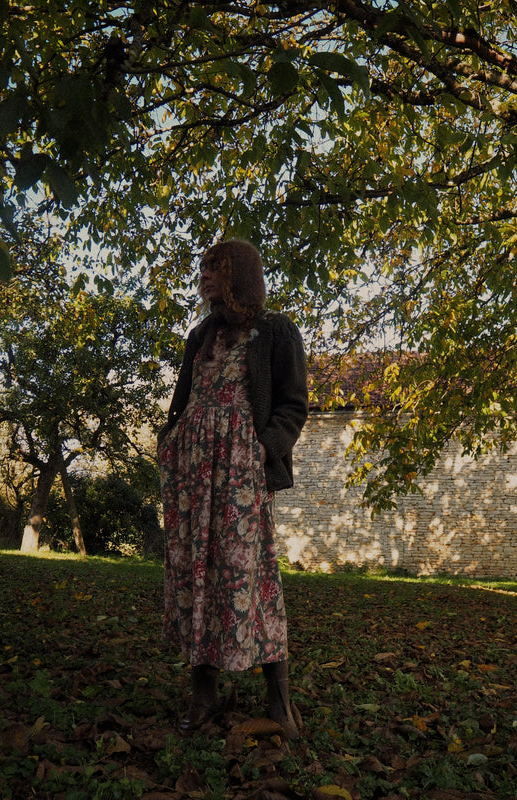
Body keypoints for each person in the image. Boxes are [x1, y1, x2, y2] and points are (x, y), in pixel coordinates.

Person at [157, 239, 308, 738]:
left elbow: (292, 405)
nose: (203, 280)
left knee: (251, 576)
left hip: (241, 472)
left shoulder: (276, 332)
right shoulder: (200, 335)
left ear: (239, 276)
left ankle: (278, 698)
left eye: (213, 270)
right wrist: (171, 441)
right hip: (192, 475)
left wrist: (264, 449)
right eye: (201, 271)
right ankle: (203, 696)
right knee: (195, 575)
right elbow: (186, 397)